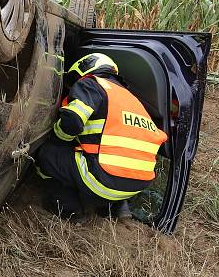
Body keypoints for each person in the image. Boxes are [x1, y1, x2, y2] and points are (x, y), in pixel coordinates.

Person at [36, 53, 167, 222]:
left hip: (104, 178)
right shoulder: (132, 99)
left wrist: (56, 141)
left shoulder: (92, 84)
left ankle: (69, 210)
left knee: (48, 155)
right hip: (137, 185)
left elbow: (73, 120)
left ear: (85, 68)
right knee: (104, 163)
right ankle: (116, 208)